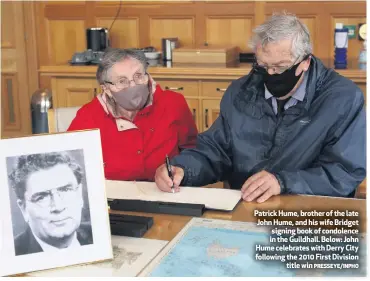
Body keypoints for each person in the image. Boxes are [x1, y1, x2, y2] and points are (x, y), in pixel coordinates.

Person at [155, 12, 366, 202]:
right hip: (245, 209)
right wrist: (183, 168)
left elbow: (345, 172)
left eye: (280, 67)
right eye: (264, 66)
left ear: (305, 62)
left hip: (307, 213)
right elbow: (216, 149)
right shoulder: (241, 92)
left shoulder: (342, 99)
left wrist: (283, 182)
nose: (271, 74)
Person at [68, 48, 198, 181]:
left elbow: (193, 152)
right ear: (106, 89)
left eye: (138, 76)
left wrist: (180, 172)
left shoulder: (173, 104)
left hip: (165, 195)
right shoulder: (88, 117)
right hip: (113, 198)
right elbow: (70, 165)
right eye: (122, 81)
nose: (133, 86)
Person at [8, 152, 93, 256]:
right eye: (42, 197)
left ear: (79, 195)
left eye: (66, 190)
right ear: (24, 208)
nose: (58, 206)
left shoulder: (98, 234)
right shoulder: (9, 255)